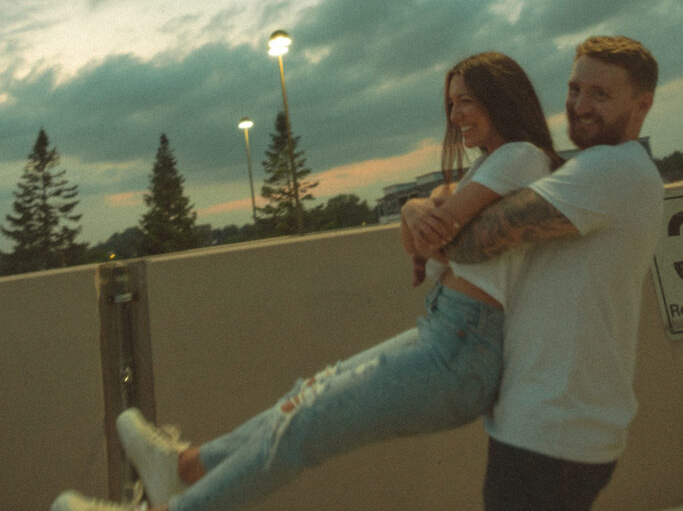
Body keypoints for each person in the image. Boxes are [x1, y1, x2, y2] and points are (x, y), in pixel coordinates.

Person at [51, 52, 562, 511]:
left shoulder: (520, 155)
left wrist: (427, 216)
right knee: (303, 398)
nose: (454, 116)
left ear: (501, 99)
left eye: (466, 102)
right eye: (451, 104)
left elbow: (436, 239)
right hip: (444, 333)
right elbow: (423, 245)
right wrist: (416, 208)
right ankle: (183, 468)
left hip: (463, 349)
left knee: (306, 425)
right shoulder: (489, 168)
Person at [414, 34, 663, 511]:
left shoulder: (611, 170)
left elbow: (467, 242)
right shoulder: (596, 170)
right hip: (552, 425)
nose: (580, 106)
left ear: (643, 104)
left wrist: (424, 213)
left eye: (600, 94)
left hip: (555, 431)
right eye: (574, 90)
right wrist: (423, 208)